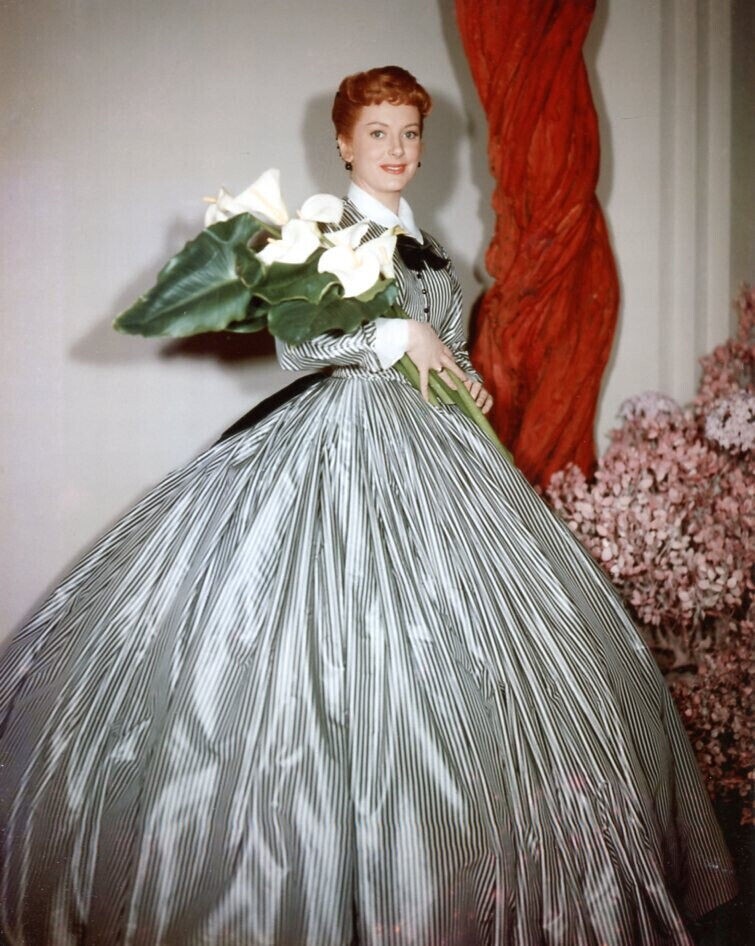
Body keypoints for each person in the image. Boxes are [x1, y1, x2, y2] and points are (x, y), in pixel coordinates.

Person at [0, 66, 737, 946]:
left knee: (486, 648)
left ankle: (470, 871)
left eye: (409, 134)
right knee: (336, 643)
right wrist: (390, 333)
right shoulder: (322, 231)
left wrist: (461, 378)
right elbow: (297, 346)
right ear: (344, 144)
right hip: (343, 439)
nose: (396, 149)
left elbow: (446, 348)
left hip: (439, 449)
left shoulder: (431, 249)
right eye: (378, 133)